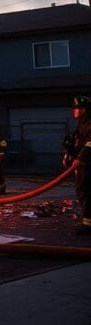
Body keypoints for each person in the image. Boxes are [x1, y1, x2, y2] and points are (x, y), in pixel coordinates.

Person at [64, 95, 91, 235]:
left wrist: (80, 158)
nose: (73, 111)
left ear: (83, 110)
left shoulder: (89, 124)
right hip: (83, 164)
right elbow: (75, 142)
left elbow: (89, 144)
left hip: (87, 164)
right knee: (83, 191)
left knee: (85, 191)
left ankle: (88, 224)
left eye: (76, 108)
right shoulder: (82, 124)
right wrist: (68, 155)